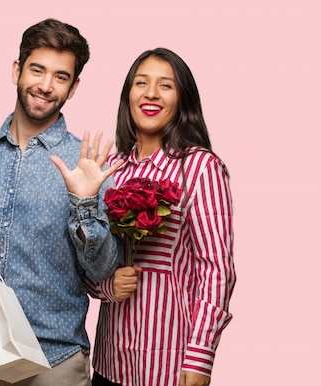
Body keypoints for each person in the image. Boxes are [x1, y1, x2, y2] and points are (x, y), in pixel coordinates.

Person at [0, 18, 123, 386]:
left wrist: (84, 204)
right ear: (17, 70)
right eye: (37, 70)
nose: (46, 86)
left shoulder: (87, 165)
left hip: (54, 358)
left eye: (61, 77)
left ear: (74, 87)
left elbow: (102, 270)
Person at [84, 48, 236, 386]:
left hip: (171, 365)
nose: (151, 93)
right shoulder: (110, 169)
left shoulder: (199, 167)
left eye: (165, 85)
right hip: (110, 362)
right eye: (141, 83)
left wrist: (200, 357)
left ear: (182, 99)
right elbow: (86, 259)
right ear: (129, 95)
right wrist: (108, 286)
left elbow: (216, 270)